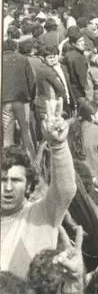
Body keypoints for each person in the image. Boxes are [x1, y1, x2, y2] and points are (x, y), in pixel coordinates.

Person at [0, 106, 77, 277]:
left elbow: (66, 190)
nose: (8, 188)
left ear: (28, 185)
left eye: (16, 180)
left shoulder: (42, 213)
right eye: (3, 180)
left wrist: (58, 146)